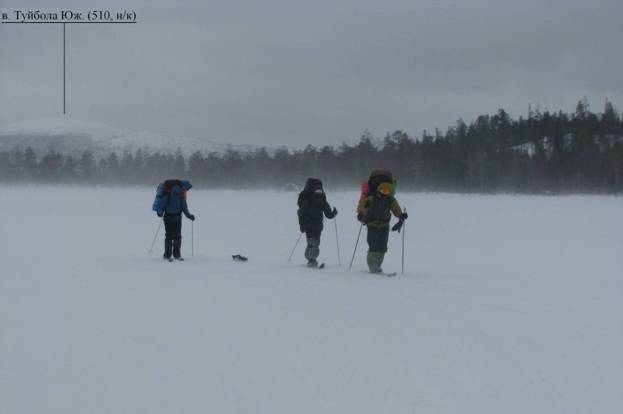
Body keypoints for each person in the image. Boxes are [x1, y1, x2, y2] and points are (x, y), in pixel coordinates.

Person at [357, 171, 407, 273]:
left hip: (384, 225)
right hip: (372, 224)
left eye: (387, 191)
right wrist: (361, 214)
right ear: (379, 190)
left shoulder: (390, 200)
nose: (384, 193)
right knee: (373, 246)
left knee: (382, 247)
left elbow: (396, 209)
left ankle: (377, 266)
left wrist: (401, 215)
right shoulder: (371, 198)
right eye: (383, 191)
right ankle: (372, 267)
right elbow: (363, 207)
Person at [297, 178, 337, 267]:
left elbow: (327, 212)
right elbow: (301, 213)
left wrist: (332, 213)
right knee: (312, 241)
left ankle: (310, 257)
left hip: (318, 225)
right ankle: (311, 259)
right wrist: (302, 224)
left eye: (319, 190)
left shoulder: (321, 200)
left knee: (316, 242)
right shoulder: (308, 200)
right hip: (309, 224)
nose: (318, 192)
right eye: (317, 190)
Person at [156, 180, 195, 261]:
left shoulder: (169, 196)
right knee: (177, 237)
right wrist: (189, 216)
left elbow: (161, 206)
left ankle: (167, 255)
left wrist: (159, 213)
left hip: (168, 218)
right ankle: (176, 255)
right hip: (177, 219)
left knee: (169, 236)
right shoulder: (181, 197)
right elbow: (185, 208)